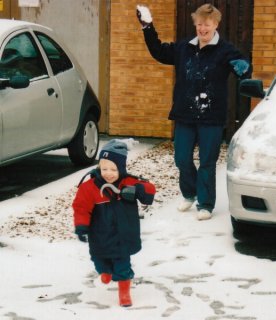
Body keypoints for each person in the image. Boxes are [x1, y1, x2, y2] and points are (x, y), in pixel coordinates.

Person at [136, 4, 251, 220]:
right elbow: (159, 52)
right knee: (181, 158)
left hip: (211, 116)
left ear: (215, 24)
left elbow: (243, 66)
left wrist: (243, 67)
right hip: (185, 114)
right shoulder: (184, 48)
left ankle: (205, 203)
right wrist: (147, 28)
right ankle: (189, 193)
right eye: (199, 24)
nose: (202, 28)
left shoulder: (225, 51)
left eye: (206, 24)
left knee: (207, 161)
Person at [72, 139, 156, 307]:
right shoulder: (90, 187)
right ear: (98, 167)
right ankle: (105, 271)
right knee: (99, 260)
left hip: (123, 234)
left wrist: (136, 190)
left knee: (122, 265)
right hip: (100, 235)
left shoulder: (128, 182)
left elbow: (149, 189)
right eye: (104, 169)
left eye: (113, 169)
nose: (108, 173)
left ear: (121, 168)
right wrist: (81, 226)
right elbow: (81, 207)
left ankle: (124, 293)